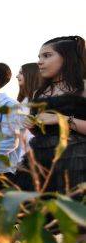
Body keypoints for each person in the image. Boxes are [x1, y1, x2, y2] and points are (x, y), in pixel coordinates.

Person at [16, 36, 86, 193]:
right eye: (39, 57)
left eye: (47, 56)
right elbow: (41, 132)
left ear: (67, 58)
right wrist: (33, 125)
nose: (40, 62)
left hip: (76, 162)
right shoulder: (38, 93)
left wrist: (61, 119)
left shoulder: (83, 88)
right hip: (40, 162)